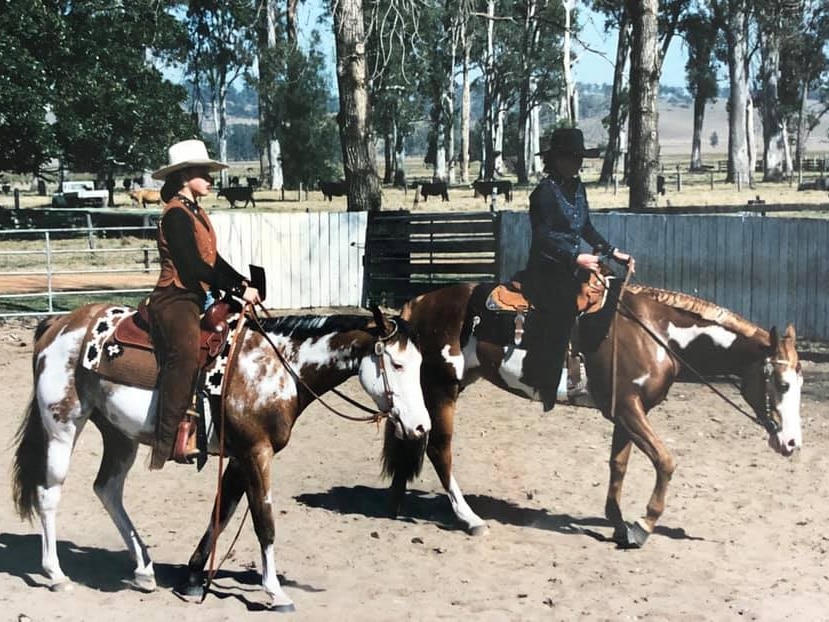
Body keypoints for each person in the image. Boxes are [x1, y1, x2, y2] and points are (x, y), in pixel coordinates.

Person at [148, 139, 261, 469]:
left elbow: (213, 259)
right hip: (175, 297)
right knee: (184, 352)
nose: (211, 179)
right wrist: (237, 289)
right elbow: (192, 266)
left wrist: (242, 283)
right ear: (185, 176)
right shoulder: (175, 215)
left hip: (196, 294)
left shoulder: (196, 212)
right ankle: (166, 441)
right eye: (204, 173)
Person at [521, 128, 634, 411]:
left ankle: (603, 367)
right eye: (571, 158)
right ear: (556, 159)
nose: (577, 163)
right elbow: (543, 237)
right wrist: (575, 257)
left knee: (610, 294)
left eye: (579, 158)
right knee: (564, 307)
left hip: (573, 265)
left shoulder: (578, 188)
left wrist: (612, 252)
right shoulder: (543, 193)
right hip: (546, 269)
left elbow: (586, 227)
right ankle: (552, 383)